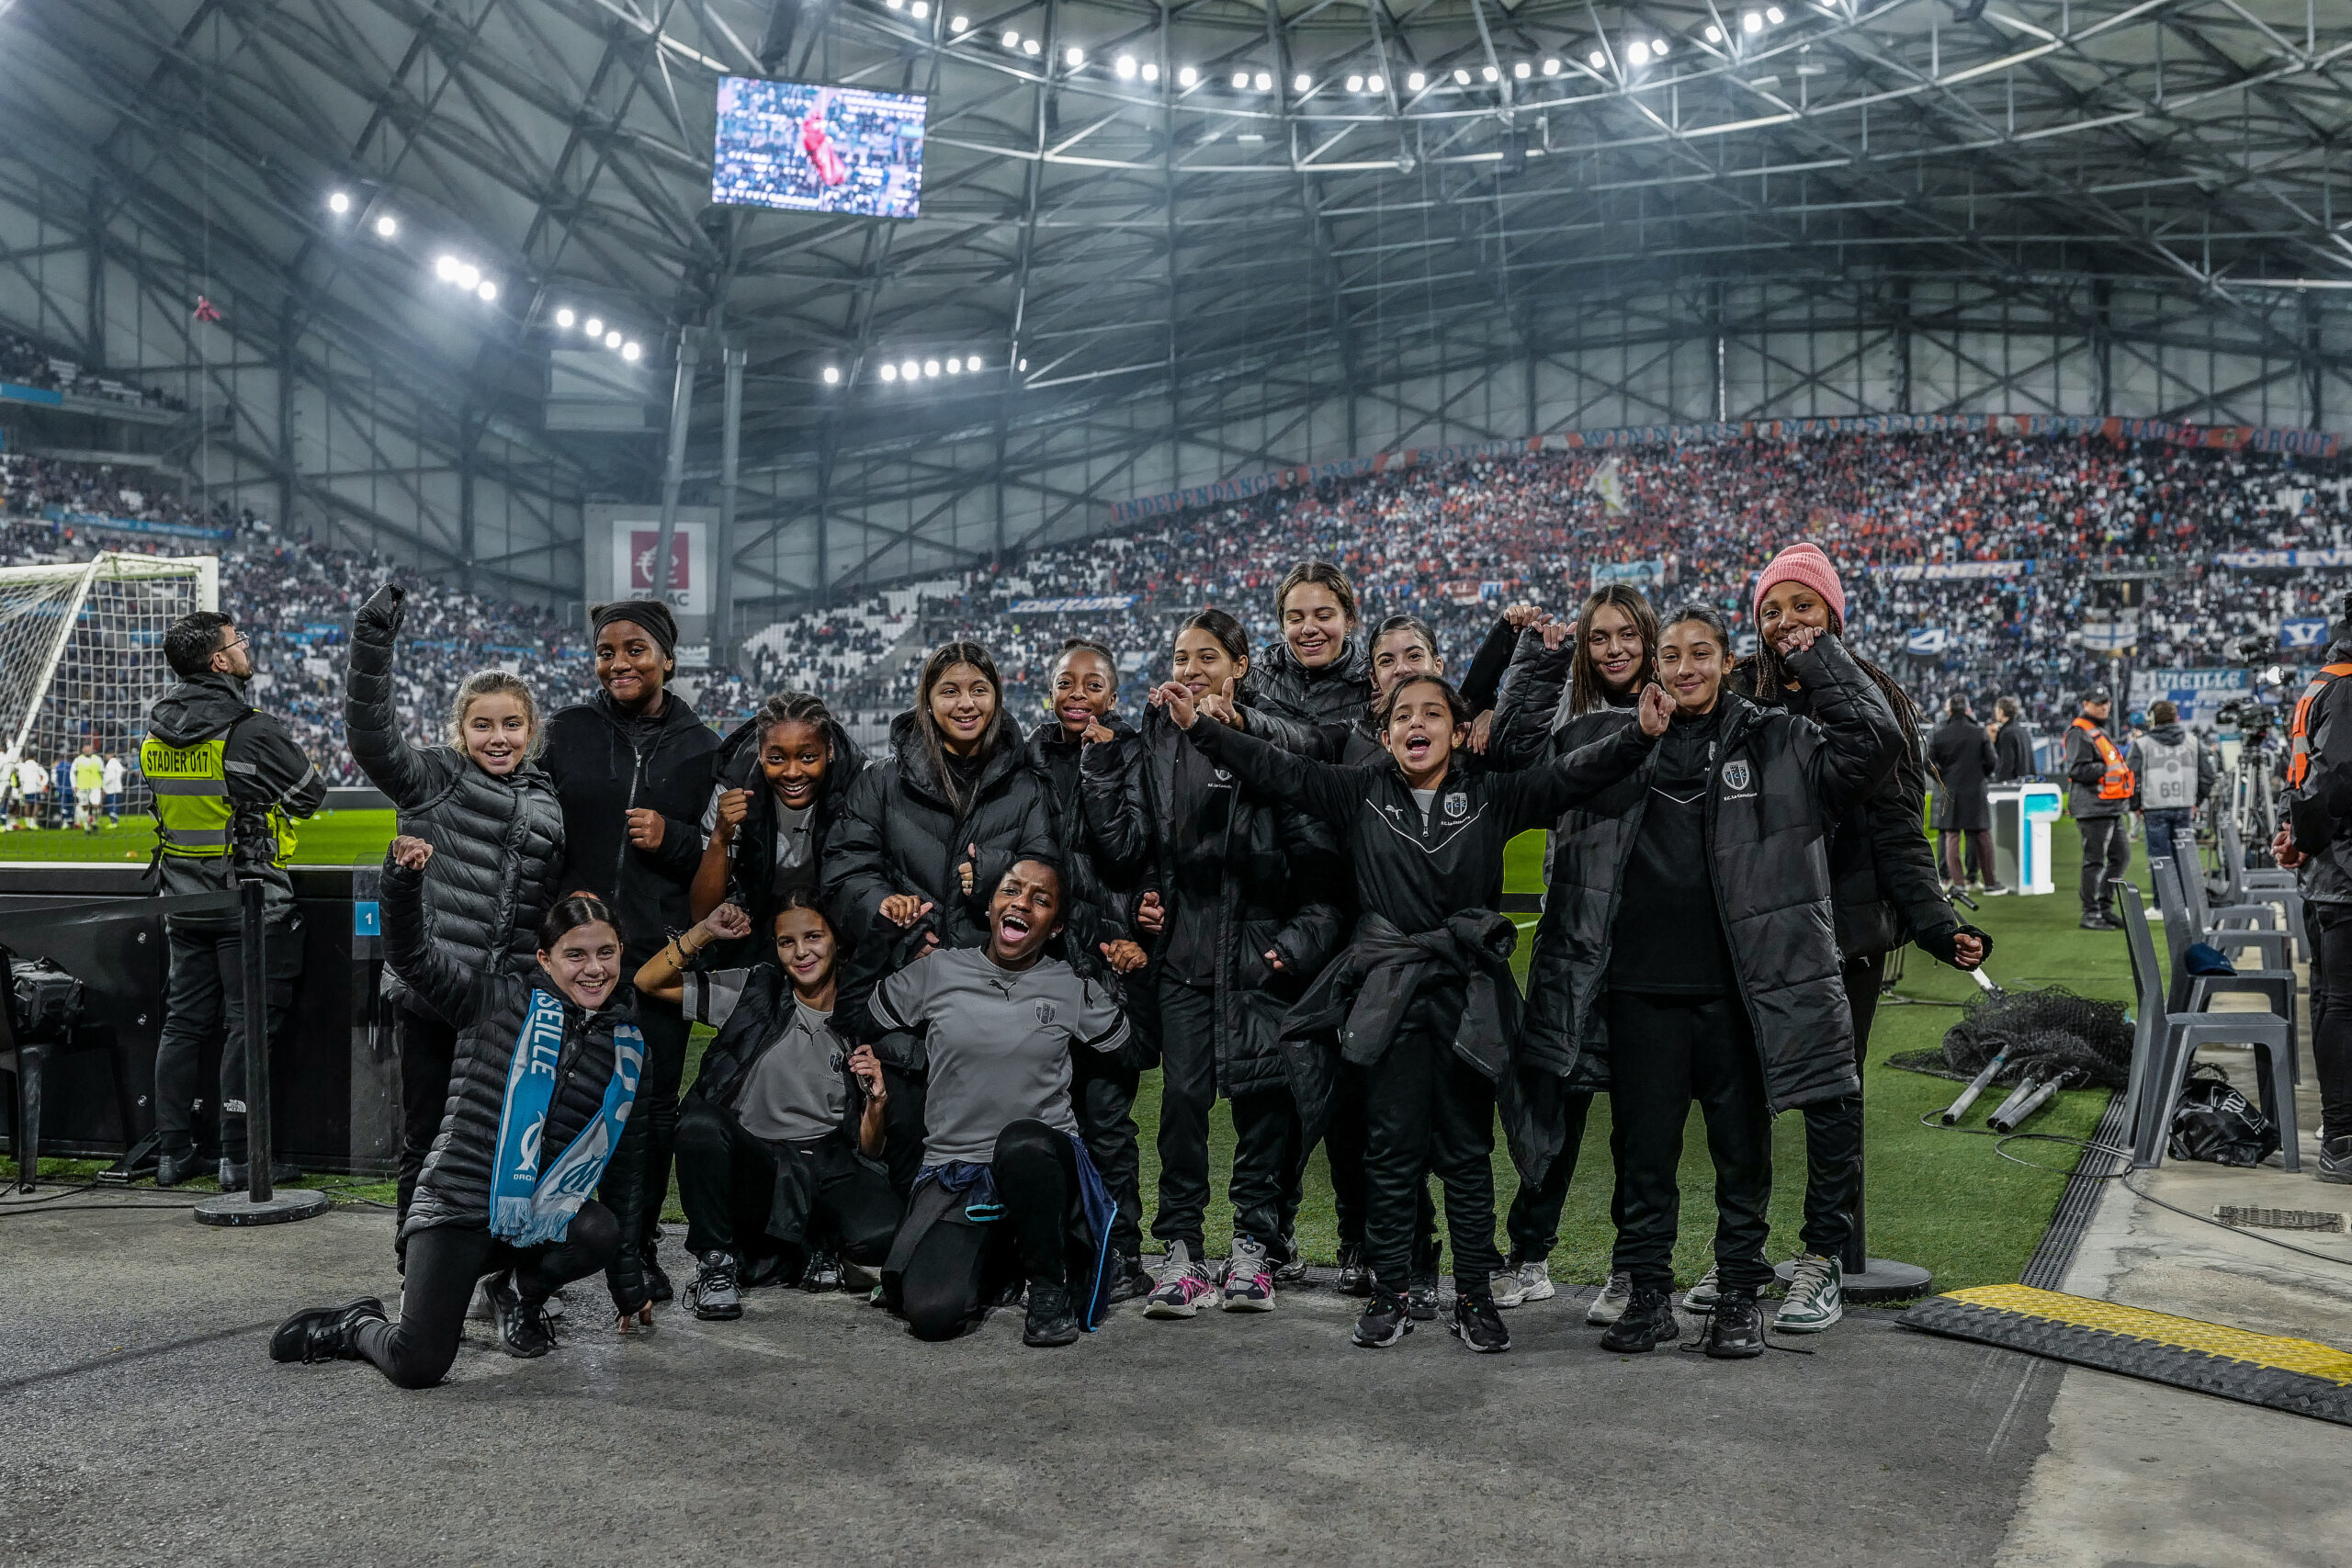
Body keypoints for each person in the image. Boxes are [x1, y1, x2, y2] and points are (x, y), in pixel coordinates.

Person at [1161, 667, 1672, 1352]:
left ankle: (1474, 1296)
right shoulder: (1358, 791)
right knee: (1391, 1151)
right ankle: (1393, 1293)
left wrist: (1639, 735)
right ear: (1385, 735)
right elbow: (1278, 768)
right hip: (1388, 997)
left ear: (1458, 733)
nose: (1417, 724)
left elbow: (1568, 777)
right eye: (1403, 715)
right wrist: (1201, 728)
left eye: (1433, 713)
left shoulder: (1492, 794)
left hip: (1467, 995)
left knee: (1466, 1153)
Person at [1546, 604, 1901, 1359]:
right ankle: (1649, 1296)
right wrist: (1525, 665)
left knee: (1742, 1156)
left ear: (1728, 661)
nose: (1685, 668)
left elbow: (1877, 743)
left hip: (1740, 990)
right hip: (1639, 989)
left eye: (1701, 653)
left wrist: (1819, 657)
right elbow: (1524, 763)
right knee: (1645, 1157)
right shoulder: (1616, 739)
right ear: (1655, 666)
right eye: (1672, 655)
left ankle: (1739, 1296)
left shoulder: (1781, 740)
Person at [267, 840, 652, 1385]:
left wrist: (628, 1286)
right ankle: (355, 1325)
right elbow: (412, 958)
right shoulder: (495, 999)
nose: (594, 969)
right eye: (576, 955)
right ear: (545, 959)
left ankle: (516, 1291)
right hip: (458, 1203)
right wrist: (402, 882)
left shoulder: (630, 1048)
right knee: (418, 1365)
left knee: (598, 1230)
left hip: (534, 1217)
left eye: (606, 953)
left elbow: (628, 1170)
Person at [1747, 547, 1987, 1333]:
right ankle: (1740, 1253)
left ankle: (1824, 1258)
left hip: (1843, 935)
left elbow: (1898, 836)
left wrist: (1939, 924)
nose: (1786, 621)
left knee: (1833, 1095)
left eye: (1803, 606)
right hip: (1754, 934)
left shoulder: (1877, 702)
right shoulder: (1742, 696)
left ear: (1835, 615)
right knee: (1738, 1095)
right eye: (1772, 610)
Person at [1080, 611, 1341, 1317]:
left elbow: (1315, 859)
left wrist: (1294, 942)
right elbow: (1134, 846)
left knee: (1263, 1105)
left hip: (1255, 957)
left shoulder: (1267, 731)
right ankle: (1183, 1252)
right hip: (1184, 956)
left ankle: (1253, 1246)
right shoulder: (1158, 733)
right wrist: (1147, 891)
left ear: (1240, 665)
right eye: (1180, 657)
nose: (1190, 669)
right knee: (1182, 1105)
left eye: (1206, 656)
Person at [344, 583, 565, 1268]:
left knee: (504, 1142)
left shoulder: (546, 795)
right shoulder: (433, 778)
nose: (498, 738)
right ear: (459, 731)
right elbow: (371, 738)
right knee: (427, 1139)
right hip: (436, 994)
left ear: (531, 730)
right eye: (483, 725)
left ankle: (494, 1270)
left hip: (506, 1002)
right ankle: (416, 1272)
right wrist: (373, 641)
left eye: (512, 725)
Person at [852, 858, 1143, 1347]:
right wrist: (882, 935)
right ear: (990, 906)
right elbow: (857, 1018)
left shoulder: (1070, 985)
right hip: (956, 1170)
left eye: (1040, 900)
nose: (1022, 903)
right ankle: (1000, 1261)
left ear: (1055, 927)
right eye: (1011, 890)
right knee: (932, 1316)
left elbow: (1137, 1052)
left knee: (1020, 1142)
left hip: (1043, 1166)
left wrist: (1134, 975)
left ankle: (1048, 1288)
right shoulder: (939, 970)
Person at [823, 641, 1057, 1195]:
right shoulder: (882, 781)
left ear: (997, 698)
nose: (965, 703)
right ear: (927, 701)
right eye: (949, 691)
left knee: (996, 1157)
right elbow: (845, 870)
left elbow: (1047, 877)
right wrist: (889, 917)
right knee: (907, 1152)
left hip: (993, 1008)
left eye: (979, 690)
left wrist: (994, 876)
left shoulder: (1026, 787)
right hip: (905, 1005)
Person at [539, 600, 722, 1303]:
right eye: (606, 651)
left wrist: (673, 838)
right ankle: (542, 1247)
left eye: (636, 649)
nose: (618, 663)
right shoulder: (564, 732)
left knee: (650, 1112)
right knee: (554, 1106)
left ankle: (638, 1247)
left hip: (652, 963)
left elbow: (721, 861)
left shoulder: (703, 747)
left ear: (668, 658)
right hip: (570, 960)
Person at [1484, 582, 1657, 1319]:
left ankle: (1632, 1267)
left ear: (1650, 638)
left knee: (1641, 1124)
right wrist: (1535, 657)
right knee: (1553, 1112)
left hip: (1649, 944)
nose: (1614, 648)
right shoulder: (1566, 717)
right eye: (1598, 637)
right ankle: (1529, 1255)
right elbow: (1507, 756)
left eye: (1627, 634)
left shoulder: (1678, 714)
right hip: (1571, 937)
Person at [635, 894, 899, 1318]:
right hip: (758, 1161)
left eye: (813, 937)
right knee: (700, 1125)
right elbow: (648, 981)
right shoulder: (753, 989)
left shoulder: (865, 1007)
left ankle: (809, 1248)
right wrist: (704, 931)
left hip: (827, 1162)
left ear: (836, 940)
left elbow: (869, 1149)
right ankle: (717, 1264)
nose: (801, 952)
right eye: (786, 942)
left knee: (882, 1235)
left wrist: (877, 1101)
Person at [144, 609, 328, 1189]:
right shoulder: (252, 729)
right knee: (247, 1030)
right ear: (220, 661)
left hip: (180, 901)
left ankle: (173, 1154)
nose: (246, 647)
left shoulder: (154, 729)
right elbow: (309, 795)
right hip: (249, 902)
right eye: (238, 641)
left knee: (182, 1026)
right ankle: (239, 1160)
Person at [1026, 637, 1156, 1303]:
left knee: (1106, 1119)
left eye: (1093, 684)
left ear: (1114, 693)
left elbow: (1127, 851)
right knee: (1043, 1116)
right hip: (1040, 966)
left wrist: (1099, 765)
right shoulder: (1028, 756)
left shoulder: (1131, 752)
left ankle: (1122, 1252)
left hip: (1106, 966)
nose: (1077, 694)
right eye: (1065, 682)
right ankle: (1050, 1253)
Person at [690, 691, 865, 952]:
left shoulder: (859, 783)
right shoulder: (735, 786)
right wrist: (720, 836)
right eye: (776, 759)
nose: (792, 772)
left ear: (829, 751)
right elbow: (702, 915)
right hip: (758, 919)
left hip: (834, 919)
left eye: (807, 757)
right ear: (760, 754)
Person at [2277, 599, 2352, 1183]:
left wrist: (2294, 833)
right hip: (2345, 872)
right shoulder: (2348, 688)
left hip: (2329, 872)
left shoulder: (2326, 681)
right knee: (2343, 1004)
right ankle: (2343, 1138)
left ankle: (2338, 1131)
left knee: (2333, 1000)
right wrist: (2301, 837)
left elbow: (2303, 775)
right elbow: (2333, 782)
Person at [2064, 684, 2135, 930]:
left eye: (2106, 702)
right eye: (2098, 703)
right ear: (2085, 704)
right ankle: (2091, 912)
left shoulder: (2096, 730)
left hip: (2109, 805)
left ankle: (2104, 907)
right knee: (2094, 861)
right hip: (2093, 806)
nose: (2104, 707)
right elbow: (2077, 770)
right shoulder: (2079, 731)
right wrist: (2107, 766)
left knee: (2121, 857)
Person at [1928, 694, 2005, 895]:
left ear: (1950, 711)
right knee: (1982, 834)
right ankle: (1990, 883)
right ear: (1968, 710)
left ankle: (1959, 884)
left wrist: (1943, 778)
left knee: (1952, 836)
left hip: (1950, 790)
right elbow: (1992, 761)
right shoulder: (1979, 732)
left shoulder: (1939, 733)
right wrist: (1980, 775)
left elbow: (1927, 762)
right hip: (1976, 789)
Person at [2129, 699, 2212, 872]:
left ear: (2153, 720)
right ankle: (2185, 890)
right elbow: (2207, 776)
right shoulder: (2193, 742)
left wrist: (2135, 805)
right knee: (2185, 862)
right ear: (2176, 718)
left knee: (2160, 864)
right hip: (2184, 806)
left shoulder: (2142, 744)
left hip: (2153, 808)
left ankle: (2163, 891)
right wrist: (2196, 802)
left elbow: (2131, 778)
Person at [1990, 695, 2035, 783]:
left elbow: (2007, 764)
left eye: (1996, 710)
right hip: (2027, 784)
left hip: (2012, 786)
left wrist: (2000, 781)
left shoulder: (2007, 733)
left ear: (2001, 711)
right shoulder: (2024, 732)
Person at [70, 740, 103, 833]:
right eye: (86, 748)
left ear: (93, 749)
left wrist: (103, 786)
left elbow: (102, 773)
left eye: (90, 748)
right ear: (82, 749)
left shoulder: (98, 759)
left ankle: (94, 823)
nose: (88, 750)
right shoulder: (77, 760)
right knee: (85, 807)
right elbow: (72, 774)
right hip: (82, 787)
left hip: (95, 786)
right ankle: (87, 827)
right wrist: (74, 785)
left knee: (96, 806)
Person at [13, 751, 43, 830]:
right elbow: (45, 775)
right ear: (34, 757)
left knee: (27, 805)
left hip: (26, 788)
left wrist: (21, 788)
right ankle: (33, 823)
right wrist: (42, 785)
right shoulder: (37, 765)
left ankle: (28, 823)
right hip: (36, 788)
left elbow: (20, 776)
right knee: (37, 804)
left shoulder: (22, 766)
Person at [102, 750, 126, 827]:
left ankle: (114, 822)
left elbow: (109, 777)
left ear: (111, 755)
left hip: (111, 789)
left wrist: (103, 786)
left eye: (107, 754)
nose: (106, 756)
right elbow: (122, 771)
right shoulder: (117, 763)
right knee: (116, 805)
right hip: (118, 788)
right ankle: (115, 822)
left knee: (111, 805)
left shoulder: (111, 763)